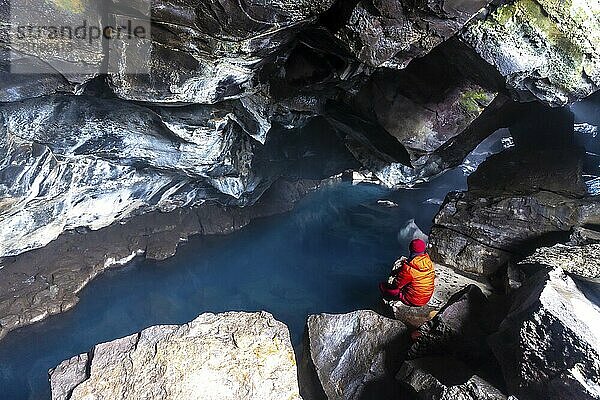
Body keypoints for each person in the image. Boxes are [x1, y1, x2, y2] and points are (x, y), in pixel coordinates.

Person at [379, 238, 435, 307]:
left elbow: (397, 284)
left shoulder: (408, 269)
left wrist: (396, 274)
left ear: (410, 249)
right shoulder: (428, 261)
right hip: (426, 297)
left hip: (414, 300)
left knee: (385, 287)